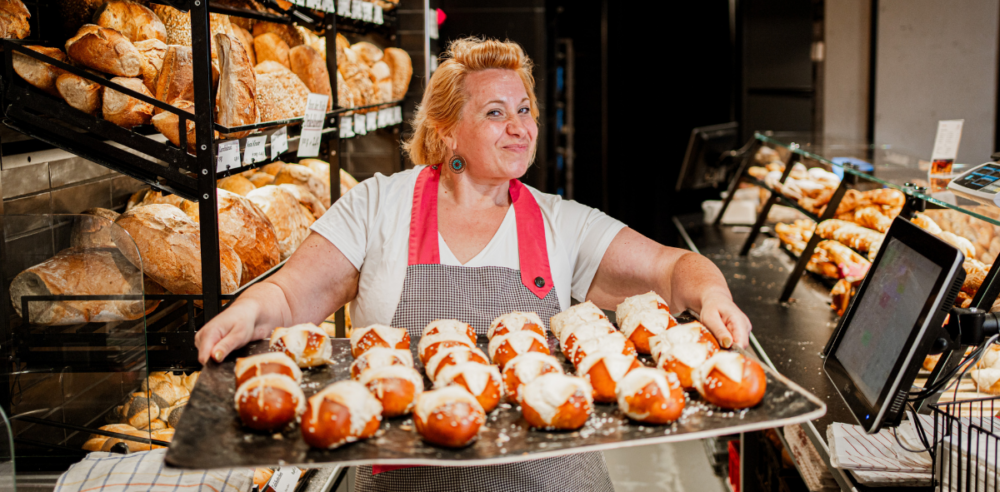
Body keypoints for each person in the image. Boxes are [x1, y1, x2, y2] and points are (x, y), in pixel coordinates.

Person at [196, 37, 751, 492]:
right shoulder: (378, 205)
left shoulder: (562, 223)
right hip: (408, 477)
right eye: (495, 112)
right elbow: (291, 297)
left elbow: (675, 268)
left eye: (525, 110)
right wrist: (247, 313)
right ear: (445, 131)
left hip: (544, 476)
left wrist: (714, 298)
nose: (520, 126)